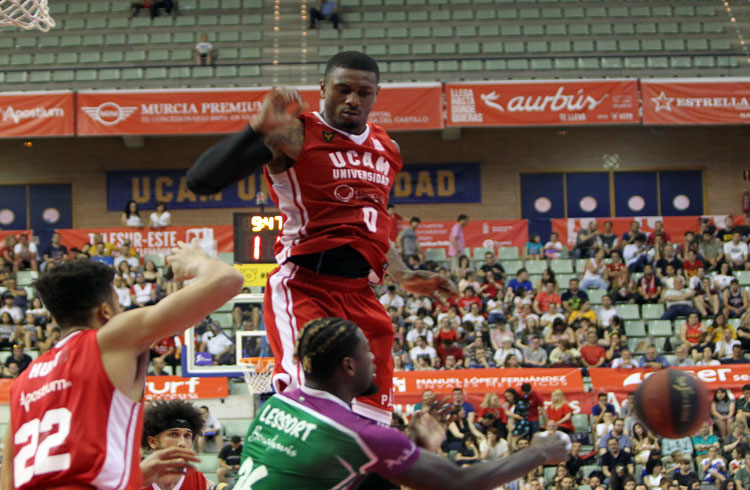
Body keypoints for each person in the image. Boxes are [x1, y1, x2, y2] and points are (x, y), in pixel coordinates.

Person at [186, 51, 456, 425]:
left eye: (363, 92)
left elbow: (371, 219)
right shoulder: (295, 133)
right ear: (323, 88)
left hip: (362, 295)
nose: (353, 100)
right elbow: (201, 181)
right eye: (343, 89)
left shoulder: (387, 148)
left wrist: (403, 274)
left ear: (376, 94)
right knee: (314, 414)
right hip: (306, 287)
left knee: (371, 423)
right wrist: (255, 128)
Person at [1, 241, 243, 489]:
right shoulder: (108, 341)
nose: (123, 311)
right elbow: (227, 280)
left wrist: (136, 476)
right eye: (119, 305)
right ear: (106, 311)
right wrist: (195, 262)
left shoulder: (23, 382)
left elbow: (8, 482)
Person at [237, 317, 569, 489]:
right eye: (367, 352)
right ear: (349, 365)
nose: (374, 358)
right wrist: (541, 451)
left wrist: (416, 448)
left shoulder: (275, 405)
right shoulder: (361, 435)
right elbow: (460, 483)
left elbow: (336, 479)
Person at [139, 399, 213, 490]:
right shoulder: (132, 481)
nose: (182, 443)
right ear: (153, 442)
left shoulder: (200, 482)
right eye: (173, 434)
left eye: (187, 436)